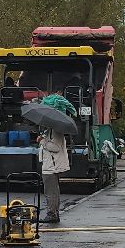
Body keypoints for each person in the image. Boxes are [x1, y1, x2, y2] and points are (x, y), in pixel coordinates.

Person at [38, 88, 76, 224]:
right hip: (49, 164)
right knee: (53, 191)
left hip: (51, 166)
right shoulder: (51, 130)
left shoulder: (56, 131)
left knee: (51, 192)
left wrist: (42, 141)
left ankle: (52, 214)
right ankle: (54, 213)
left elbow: (55, 147)